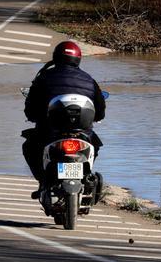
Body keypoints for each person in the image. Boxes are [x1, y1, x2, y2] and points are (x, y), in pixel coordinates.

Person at [22, 40, 106, 197]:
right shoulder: (89, 79)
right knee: (96, 145)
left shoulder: (44, 76)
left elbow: (31, 106)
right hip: (83, 133)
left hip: (50, 131)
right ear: (78, 59)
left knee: (30, 147)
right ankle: (86, 177)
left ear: (56, 57)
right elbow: (100, 111)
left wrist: (33, 116)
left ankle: (43, 183)